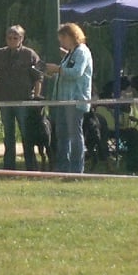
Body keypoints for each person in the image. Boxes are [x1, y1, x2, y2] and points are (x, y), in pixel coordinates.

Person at [0, 25, 44, 170]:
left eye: (15, 38)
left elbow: (38, 77)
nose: (12, 40)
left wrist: (36, 99)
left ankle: (30, 165)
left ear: (21, 39)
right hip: (5, 99)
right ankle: (9, 165)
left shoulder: (29, 54)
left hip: (24, 100)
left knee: (26, 133)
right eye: (9, 38)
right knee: (8, 134)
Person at [45, 22, 93, 173]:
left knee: (74, 135)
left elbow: (76, 72)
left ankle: (77, 169)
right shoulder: (70, 54)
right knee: (62, 135)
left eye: (62, 39)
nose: (61, 42)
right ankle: (63, 167)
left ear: (71, 36)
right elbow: (65, 73)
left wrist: (58, 69)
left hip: (75, 100)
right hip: (63, 100)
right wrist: (53, 72)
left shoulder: (82, 52)